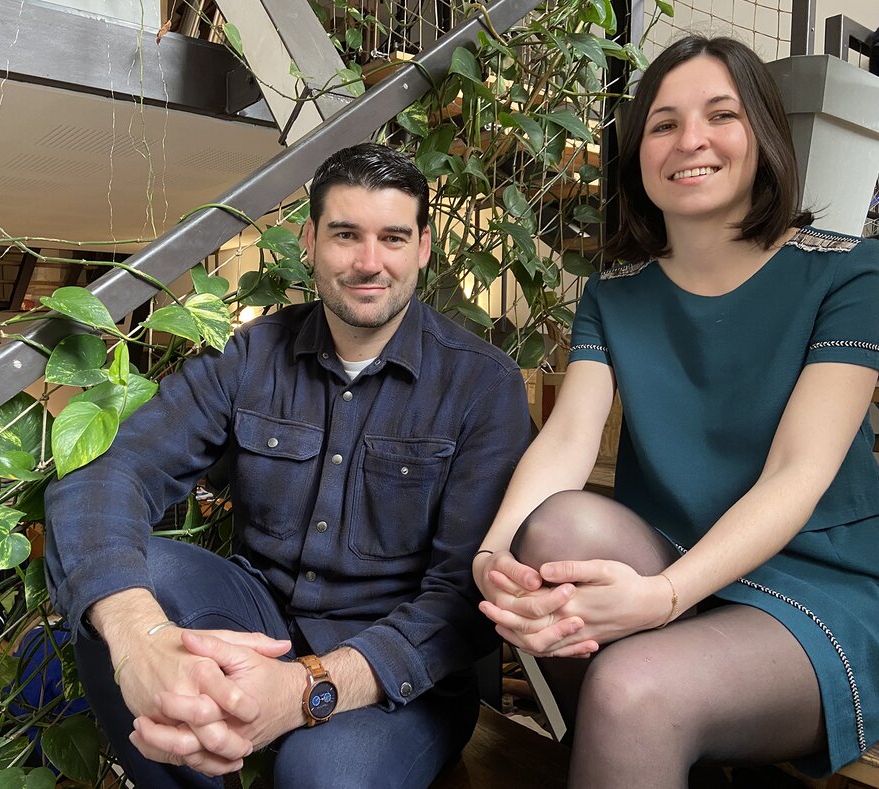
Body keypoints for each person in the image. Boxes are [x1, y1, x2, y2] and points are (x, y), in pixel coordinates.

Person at [44, 142, 531, 788]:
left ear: (423, 248)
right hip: (261, 620)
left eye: (392, 237)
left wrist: (305, 686)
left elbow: (459, 603)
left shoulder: (481, 384)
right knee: (125, 589)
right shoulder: (253, 354)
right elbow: (112, 471)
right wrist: (140, 637)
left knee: (319, 774)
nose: (368, 261)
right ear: (309, 240)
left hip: (400, 676)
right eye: (345, 234)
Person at [474, 35, 879, 787]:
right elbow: (568, 437)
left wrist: (663, 598)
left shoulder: (849, 270)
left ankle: (653, 739)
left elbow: (801, 470)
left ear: (763, 135)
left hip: (812, 585)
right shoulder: (614, 294)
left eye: (719, 115)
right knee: (550, 532)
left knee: (631, 691)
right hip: (665, 556)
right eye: (663, 123)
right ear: (637, 153)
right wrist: (492, 554)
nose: (689, 140)